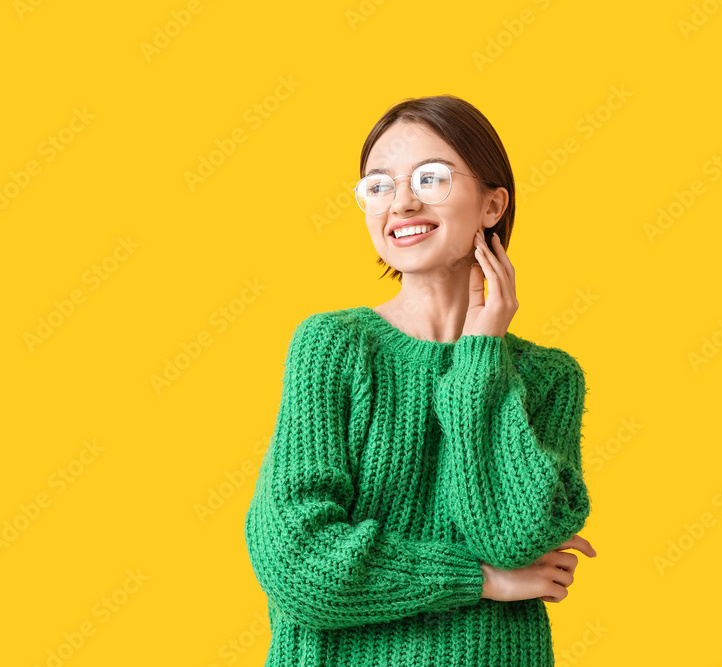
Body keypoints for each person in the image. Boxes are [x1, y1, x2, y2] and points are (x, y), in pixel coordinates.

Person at [244, 94, 597, 667]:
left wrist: (481, 356)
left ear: (492, 204)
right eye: (378, 185)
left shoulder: (548, 378)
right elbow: (298, 563)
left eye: (430, 179)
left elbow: (512, 536)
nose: (401, 202)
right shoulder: (335, 348)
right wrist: (481, 580)